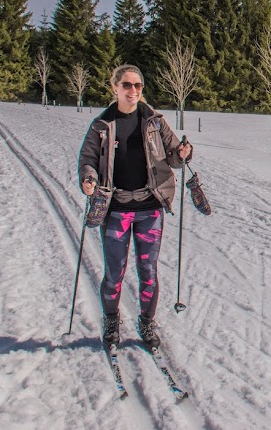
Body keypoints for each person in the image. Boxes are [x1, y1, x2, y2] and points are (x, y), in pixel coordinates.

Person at [78, 64, 193, 349]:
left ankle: (146, 323)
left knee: (148, 271)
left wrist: (183, 152)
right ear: (115, 87)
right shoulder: (102, 124)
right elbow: (87, 158)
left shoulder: (154, 121)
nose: (133, 91)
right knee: (115, 271)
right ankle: (111, 321)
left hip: (149, 208)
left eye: (138, 86)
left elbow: (176, 157)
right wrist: (88, 178)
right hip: (115, 209)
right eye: (127, 85)